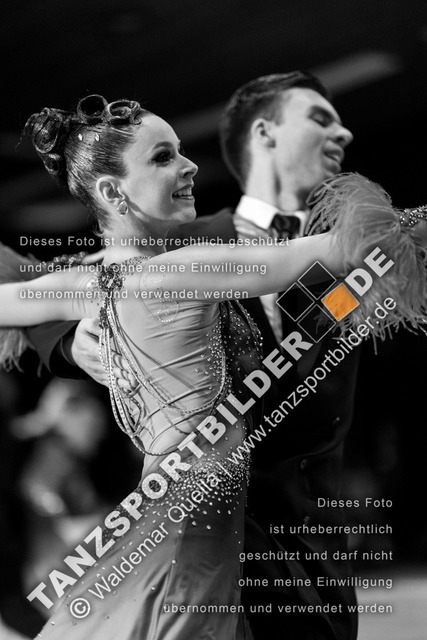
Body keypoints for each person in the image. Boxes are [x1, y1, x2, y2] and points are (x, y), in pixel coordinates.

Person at [7, 92, 425, 640]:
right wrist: (415, 221)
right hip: (194, 526)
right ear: (112, 192)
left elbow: (10, 293)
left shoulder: (82, 285)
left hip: (169, 516)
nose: (189, 166)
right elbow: (329, 251)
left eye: (181, 151)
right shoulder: (186, 268)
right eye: (163, 157)